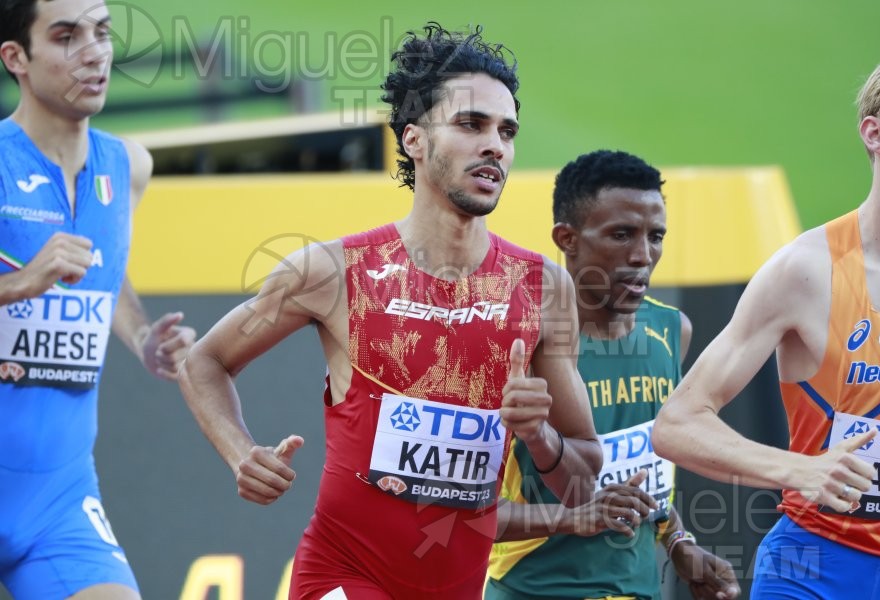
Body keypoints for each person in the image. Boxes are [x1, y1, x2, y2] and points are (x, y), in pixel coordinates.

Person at [177, 22, 602, 600]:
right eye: (470, 124)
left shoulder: (543, 287)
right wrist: (240, 453)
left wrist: (539, 437)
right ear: (413, 140)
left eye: (507, 131)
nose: (494, 146)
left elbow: (580, 480)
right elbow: (204, 362)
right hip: (344, 577)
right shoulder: (328, 271)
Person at [653, 55, 880, 599]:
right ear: (875, 134)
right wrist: (800, 470)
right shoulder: (807, 270)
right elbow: (677, 423)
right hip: (817, 568)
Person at [0, 1, 196, 598]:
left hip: (60, 499)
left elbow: (105, 275)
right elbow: (35, 281)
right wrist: (19, 284)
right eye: (65, 36)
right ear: (16, 59)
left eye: (102, 32)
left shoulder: (129, 165)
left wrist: (142, 338)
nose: (94, 52)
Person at [486, 150, 740, 600]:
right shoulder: (517, 348)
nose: (642, 256)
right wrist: (574, 517)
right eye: (621, 234)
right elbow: (459, 512)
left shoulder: (670, 331)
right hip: (534, 590)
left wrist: (677, 540)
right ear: (567, 239)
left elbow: (643, 474)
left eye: (655, 236)